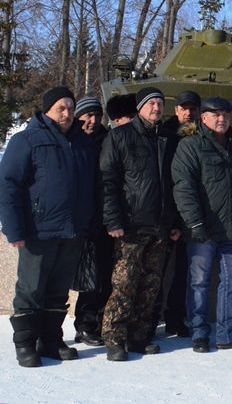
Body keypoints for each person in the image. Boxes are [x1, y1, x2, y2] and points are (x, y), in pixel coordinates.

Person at [0, 86, 98, 367]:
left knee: (59, 289)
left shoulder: (82, 143)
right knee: (31, 289)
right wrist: (14, 229)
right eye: (60, 108)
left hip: (73, 230)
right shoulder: (27, 140)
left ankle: (51, 339)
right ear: (47, 111)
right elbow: (8, 185)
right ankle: (25, 343)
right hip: (38, 229)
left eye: (70, 108)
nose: (66, 114)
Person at [172, 96, 232, 353]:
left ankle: (228, 333)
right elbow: (184, 188)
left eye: (225, 114)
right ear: (203, 118)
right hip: (202, 230)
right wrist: (195, 222)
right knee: (199, 282)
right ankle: (199, 332)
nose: (221, 119)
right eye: (215, 115)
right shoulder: (190, 146)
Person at [99, 87, 181, 361]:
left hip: (159, 225)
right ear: (140, 107)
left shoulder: (168, 139)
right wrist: (113, 219)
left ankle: (139, 336)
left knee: (150, 286)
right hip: (131, 225)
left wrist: (173, 221)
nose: (157, 107)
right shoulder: (120, 136)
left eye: (160, 102)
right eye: (151, 103)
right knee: (124, 284)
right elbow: (108, 181)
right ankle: (114, 339)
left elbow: (174, 185)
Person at [155, 89, 201, 337]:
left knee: (184, 271)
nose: (188, 112)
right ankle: (152, 317)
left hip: (190, 215)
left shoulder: (201, 135)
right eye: (183, 108)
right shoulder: (164, 134)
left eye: (192, 108)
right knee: (157, 270)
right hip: (167, 213)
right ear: (176, 110)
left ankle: (175, 317)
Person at [70, 96, 114, 348]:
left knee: (106, 276)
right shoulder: (73, 140)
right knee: (89, 278)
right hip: (83, 219)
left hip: (106, 217)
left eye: (97, 115)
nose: (93, 120)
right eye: (88, 115)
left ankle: (99, 322)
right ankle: (84, 324)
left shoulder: (107, 140)